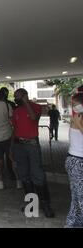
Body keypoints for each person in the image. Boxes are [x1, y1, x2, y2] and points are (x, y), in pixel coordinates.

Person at [11, 88, 54, 218]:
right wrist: (11, 147)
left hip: (32, 146)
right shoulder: (16, 111)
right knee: (24, 175)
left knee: (38, 174)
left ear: (25, 96)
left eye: (18, 96)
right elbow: (15, 129)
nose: (16, 99)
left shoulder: (36, 107)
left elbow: (34, 118)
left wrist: (26, 102)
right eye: (15, 96)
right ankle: (32, 204)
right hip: (19, 145)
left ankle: (46, 205)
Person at [65, 93, 83, 228]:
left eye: (76, 104)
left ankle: (73, 222)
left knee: (77, 195)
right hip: (77, 161)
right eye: (73, 104)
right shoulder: (77, 118)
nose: (74, 107)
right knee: (79, 195)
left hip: (75, 160)